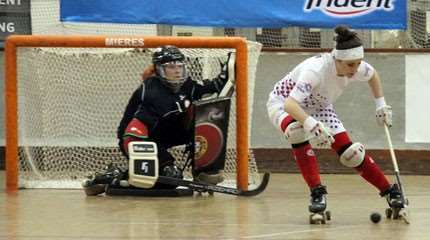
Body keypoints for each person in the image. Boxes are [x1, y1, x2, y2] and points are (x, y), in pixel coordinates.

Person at [266, 25, 405, 221]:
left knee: (351, 154)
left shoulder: (353, 66)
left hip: (320, 107)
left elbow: (373, 76)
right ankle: (317, 193)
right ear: (336, 60)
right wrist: (310, 124)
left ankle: (390, 191)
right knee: (297, 131)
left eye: (358, 64)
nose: (355, 70)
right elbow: (290, 104)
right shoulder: (315, 71)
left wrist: (380, 105)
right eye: (350, 65)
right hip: (283, 103)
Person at [84, 45, 229, 195]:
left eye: (180, 66)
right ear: (159, 69)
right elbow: (134, 132)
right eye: (172, 67)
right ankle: (112, 177)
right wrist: (166, 162)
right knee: (170, 179)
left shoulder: (187, 85)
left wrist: (229, 69)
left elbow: (214, 86)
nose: (177, 71)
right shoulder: (151, 90)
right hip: (137, 138)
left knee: (202, 119)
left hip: (162, 132)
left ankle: (202, 170)